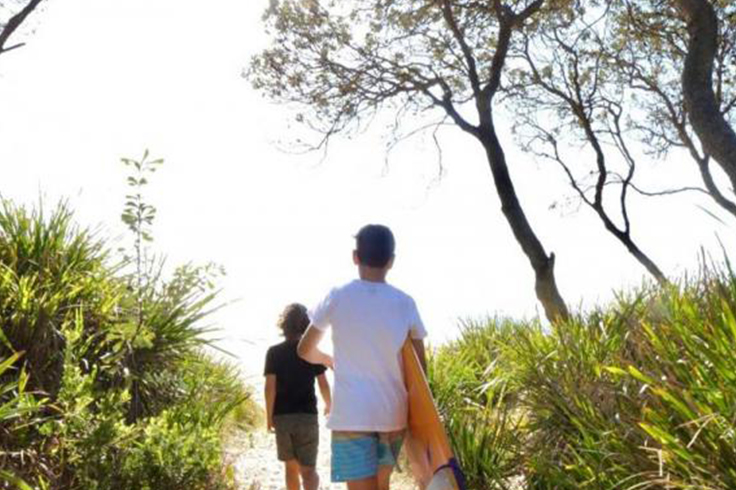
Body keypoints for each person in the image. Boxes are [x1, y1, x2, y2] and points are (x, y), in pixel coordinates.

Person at [298, 224, 427, 490]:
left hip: (352, 415)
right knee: (382, 485)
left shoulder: (337, 296)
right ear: (391, 261)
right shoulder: (405, 303)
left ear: (355, 256)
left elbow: (304, 350)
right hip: (392, 414)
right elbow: (420, 369)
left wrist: (328, 360)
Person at [264, 303, 332, 490]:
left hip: (283, 417)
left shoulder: (274, 352)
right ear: (306, 326)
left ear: (284, 325)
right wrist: (329, 405)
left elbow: (270, 388)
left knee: (291, 469)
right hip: (307, 417)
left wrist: (268, 416)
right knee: (309, 470)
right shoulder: (311, 351)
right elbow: (323, 382)